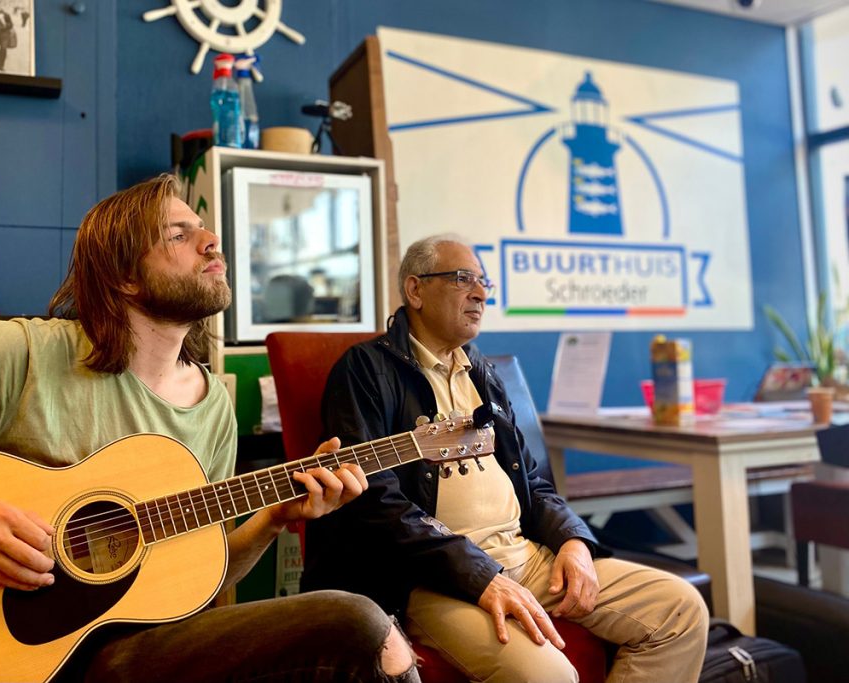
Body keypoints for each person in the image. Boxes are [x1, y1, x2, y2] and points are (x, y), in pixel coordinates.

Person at [0, 175, 420, 683]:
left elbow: (193, 583)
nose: (212, 240)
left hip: (120, 655)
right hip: (0, 653)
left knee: (370, 633)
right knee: (362, 621)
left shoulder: (212, 407)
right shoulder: (26, 351)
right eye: (178, 235)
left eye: (203, 229)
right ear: (126, 279)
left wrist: (271, 521)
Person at [302, 234, 709, 683]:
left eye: (484, 282)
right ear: (415, 290)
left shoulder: (484, 373)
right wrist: (479, 576)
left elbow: (532, 480)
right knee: (548, 676)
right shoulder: (365, 369)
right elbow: (373, 501)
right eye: (463, 279)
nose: (480, 293)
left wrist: (574, 541)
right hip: (433, 578)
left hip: (528, 556)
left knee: (681, 610)